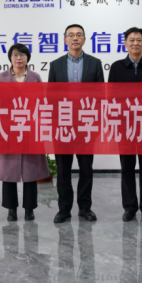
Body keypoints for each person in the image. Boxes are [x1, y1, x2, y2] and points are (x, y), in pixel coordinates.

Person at [48, 24, 105, 223]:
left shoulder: (95, 63)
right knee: (63, 170)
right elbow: (50, 97)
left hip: (86, 124)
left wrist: (95, 122)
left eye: (79, 35)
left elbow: (101, 95)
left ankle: (85, 208)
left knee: (86, 169)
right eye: (71, 35)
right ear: (65, 40)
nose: (75, 38)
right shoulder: (55, 65)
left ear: (84, 39)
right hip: (62, 125)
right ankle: (64, 210)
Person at [108, 27, 142, 222]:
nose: (135, 43)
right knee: (127, 168)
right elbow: (111, 98)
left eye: (139, 40)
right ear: (125, 43)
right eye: (131, 40)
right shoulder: (116, 67)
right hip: (125, 127)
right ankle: (130, 207)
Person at [0, 43, 50, 222]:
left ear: (27, 58)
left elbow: (41, 103)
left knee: (31, 170)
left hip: (30, 128)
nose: (19, 58)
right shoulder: (1, 77)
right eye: (15, 55)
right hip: (8, 129)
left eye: (23, 55)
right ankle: (11, 209)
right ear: (10, 58)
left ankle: (29, 209)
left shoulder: (35, 77)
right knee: (9, 170)